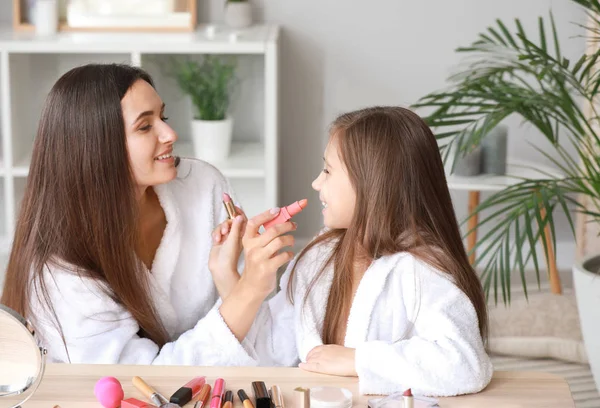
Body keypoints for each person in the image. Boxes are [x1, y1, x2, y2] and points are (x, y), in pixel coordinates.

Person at [0, 63, 294, 365]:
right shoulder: (61, 269)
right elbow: (141, 382)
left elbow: (259, 345)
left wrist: (229, 277)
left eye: (162, 116)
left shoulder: (202, 187)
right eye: (144, 126)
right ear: (97, 148)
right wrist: (248, 291)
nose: (170, 133)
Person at [214, 106, 493, 396]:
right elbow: (272, 349)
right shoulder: (318, 257)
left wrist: (359, 360)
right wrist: (228, 273)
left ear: (373, 182)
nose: (316, 183)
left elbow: (465, 364)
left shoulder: (420, 269)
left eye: (327, 170)